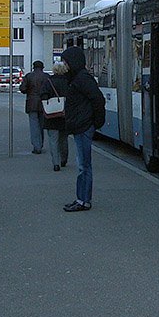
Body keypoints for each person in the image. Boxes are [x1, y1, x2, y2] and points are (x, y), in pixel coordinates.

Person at [61, 46, 106, 212]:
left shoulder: (82, 79)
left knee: (84, 166)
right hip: (81, 125)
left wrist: (95, 122)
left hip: (83, 126)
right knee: (82, 165)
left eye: (65, 61)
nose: (64, 65)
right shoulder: (77, 78)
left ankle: (83, 200)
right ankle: (81, 198)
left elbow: (98, 99)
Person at [40, 60, 70, 171]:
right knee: (64, 139)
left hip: (51, 115)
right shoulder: (68, 82)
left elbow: (43, 95)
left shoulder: (49, 82)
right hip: (65, 115)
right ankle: (64, 159)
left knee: (53, 140)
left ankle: (55, 163)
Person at [20, 60, 47, 154]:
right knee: (41, 125)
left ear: (33, 67)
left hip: (31, 103)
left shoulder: (29, 76)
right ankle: (40, 143)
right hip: (44, 104)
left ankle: (37, 146)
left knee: (34, 125)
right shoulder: (46, 77)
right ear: (42, 67)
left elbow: (22, 89)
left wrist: (28, 91)